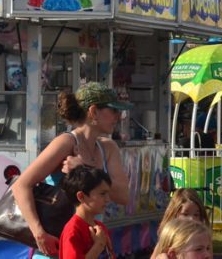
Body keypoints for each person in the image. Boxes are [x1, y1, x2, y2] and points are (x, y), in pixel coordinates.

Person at [12, 83, 132, 257]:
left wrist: (86, 169)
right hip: (57, 246)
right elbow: (21, 185)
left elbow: (123, 197)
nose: (118, 116)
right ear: (93, 112)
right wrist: (39, 233)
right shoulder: (66, 143)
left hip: (91, 246)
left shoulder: (109, 148)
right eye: (113, 110)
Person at [58, 166, 114, 259]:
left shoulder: (100, 227)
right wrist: (98, 246)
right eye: (102, 194)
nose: (108, 199)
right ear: (81, 196)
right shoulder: (73, 230)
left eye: (108, 194)